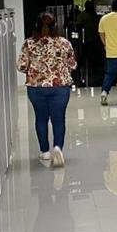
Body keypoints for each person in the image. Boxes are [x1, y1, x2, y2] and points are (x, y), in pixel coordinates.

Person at [17, 13, 76, 167]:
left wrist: (36, 70)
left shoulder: (29, 44)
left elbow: (21, 66)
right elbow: (73, 64)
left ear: (36, 26)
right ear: (55, 26)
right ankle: (58, 148)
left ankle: (45, 152)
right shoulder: (64, 43)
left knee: (41, 118)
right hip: (60, 87)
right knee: (59, 119)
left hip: (36, 88)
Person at [73, 0, 101, 87]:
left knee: (95, 55)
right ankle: (79, 69)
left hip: (95, 39)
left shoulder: (94, 15)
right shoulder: (82, 15)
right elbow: (78, 26)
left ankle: (95, 69)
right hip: (86, 40)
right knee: (84, 55)